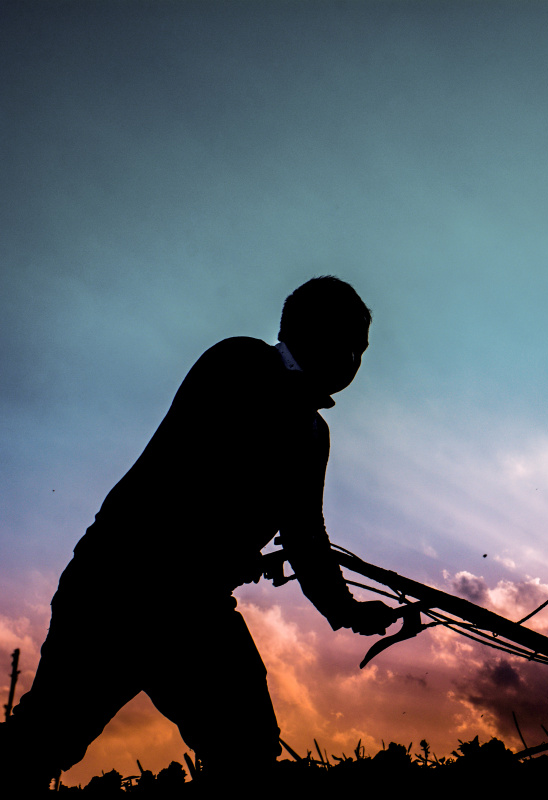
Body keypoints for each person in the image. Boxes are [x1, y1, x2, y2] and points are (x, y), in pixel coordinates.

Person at [2, 276, 395, 790]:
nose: (352, 362)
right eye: (346, 344)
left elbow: (304, 532)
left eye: (360, 351)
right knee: (43, 741)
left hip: (194, 608)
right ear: (306, 332)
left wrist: (343, 609)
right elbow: (216, 466)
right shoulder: (238, 362)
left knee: (248, 745)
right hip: (117, 588)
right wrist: (236, 552)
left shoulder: (313, 433)